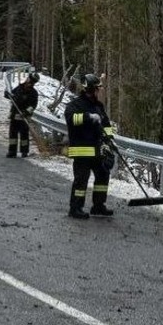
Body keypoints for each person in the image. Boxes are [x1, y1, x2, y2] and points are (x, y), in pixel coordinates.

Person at [63, 73, 115, 219]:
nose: (99, 91)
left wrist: (109, 139)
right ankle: (75, 208)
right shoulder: (75, 105)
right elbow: (71, 119)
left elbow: (106, 124)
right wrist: (88, 117)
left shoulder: (98, 106)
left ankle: (98, 206)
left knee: (103, 175)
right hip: (82, 151)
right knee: (81, 180)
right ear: (91, 90)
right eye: (98, 89)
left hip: (97, 150)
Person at [5, 71, 41, 157]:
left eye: (32, 81)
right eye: (29, 80)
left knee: (24, 135)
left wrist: (26, 112)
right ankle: (12, 151)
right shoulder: (19, 88)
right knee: (13, 134)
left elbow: (33, 105)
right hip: (15, 115)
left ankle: (24, 151)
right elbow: (11, 95)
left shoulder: (33, 93)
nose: (29, 82)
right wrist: (7, 94)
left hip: (24, 117)